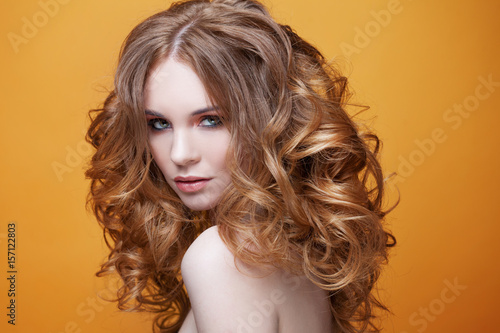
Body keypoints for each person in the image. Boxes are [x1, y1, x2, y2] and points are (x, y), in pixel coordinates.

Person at [85, 0, 397, 332]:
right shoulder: (291, 250)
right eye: (159, 124)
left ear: (270, 120)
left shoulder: (222, 259)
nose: (179, 154)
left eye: (210, 120)